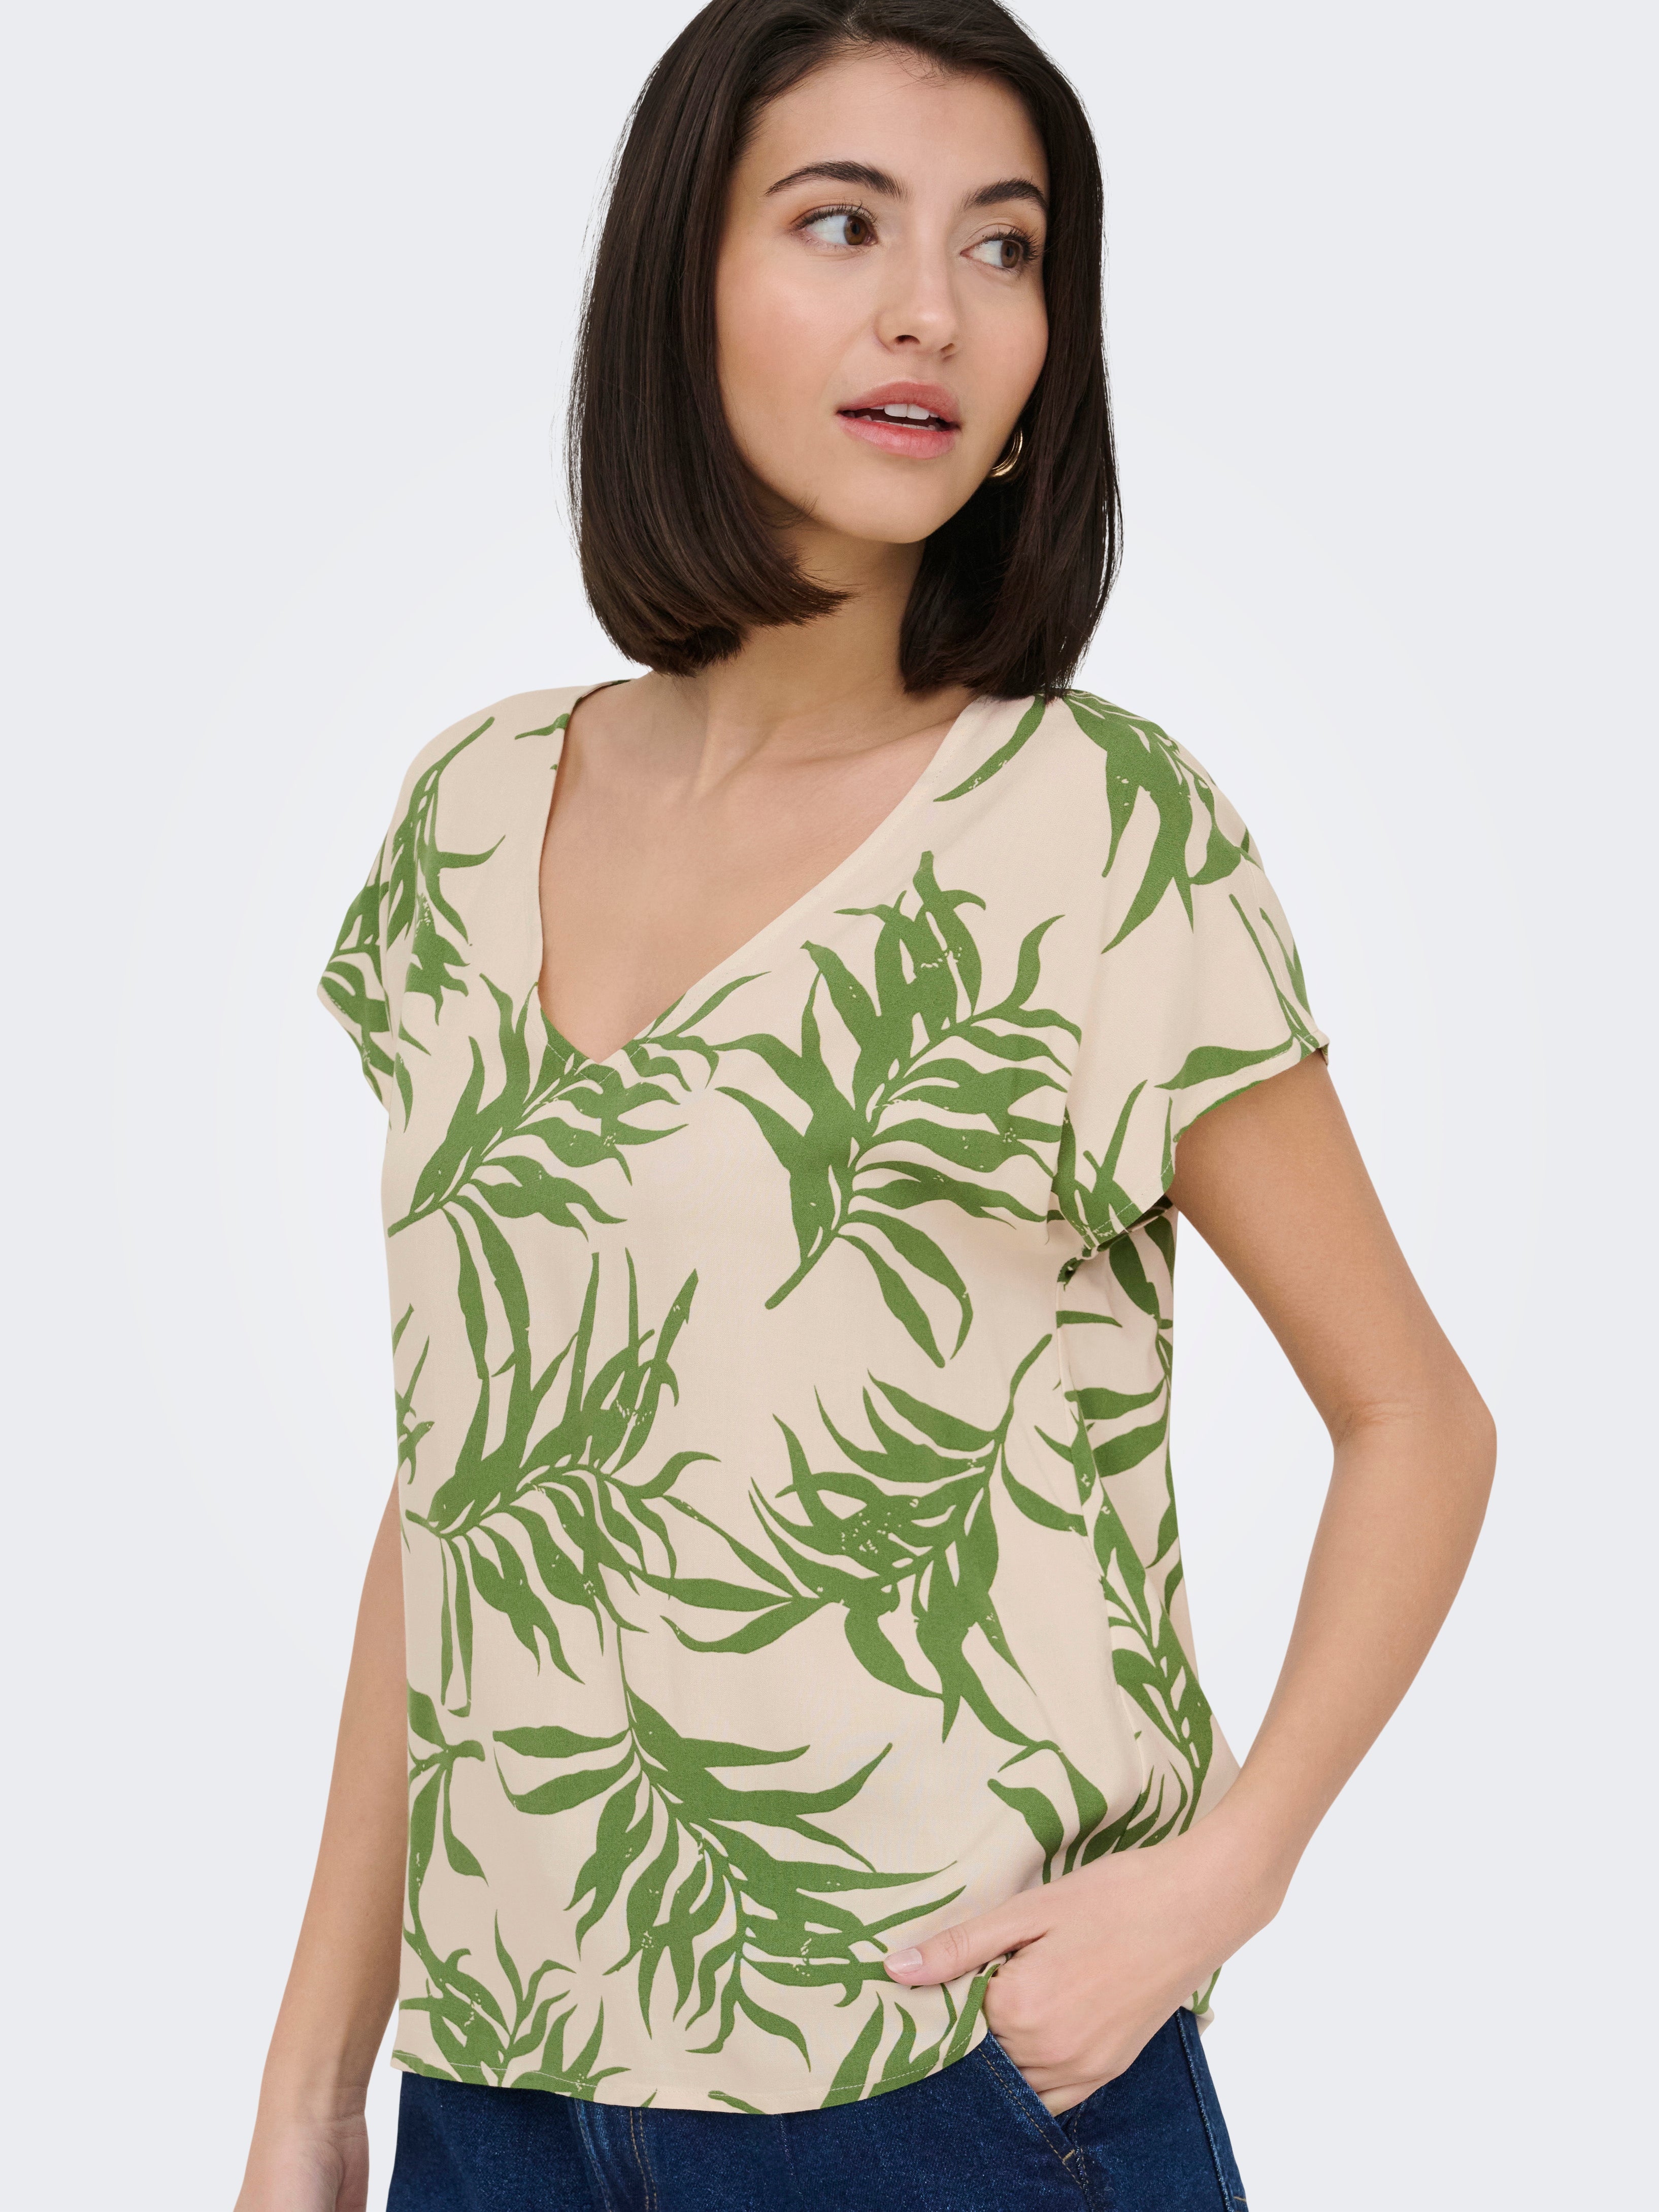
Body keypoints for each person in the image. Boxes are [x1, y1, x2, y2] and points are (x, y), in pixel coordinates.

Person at [235, 3, 1496, 2206]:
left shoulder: (1095, 831)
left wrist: (1214, 1884)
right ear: (679, 281)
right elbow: (458, 1494)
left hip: (943, 2095)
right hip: (495, 2102)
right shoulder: (467, 815)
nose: (934, 308)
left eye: (1005, 248)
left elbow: (1415, 1418)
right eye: (843, 223)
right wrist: (313, 2090)